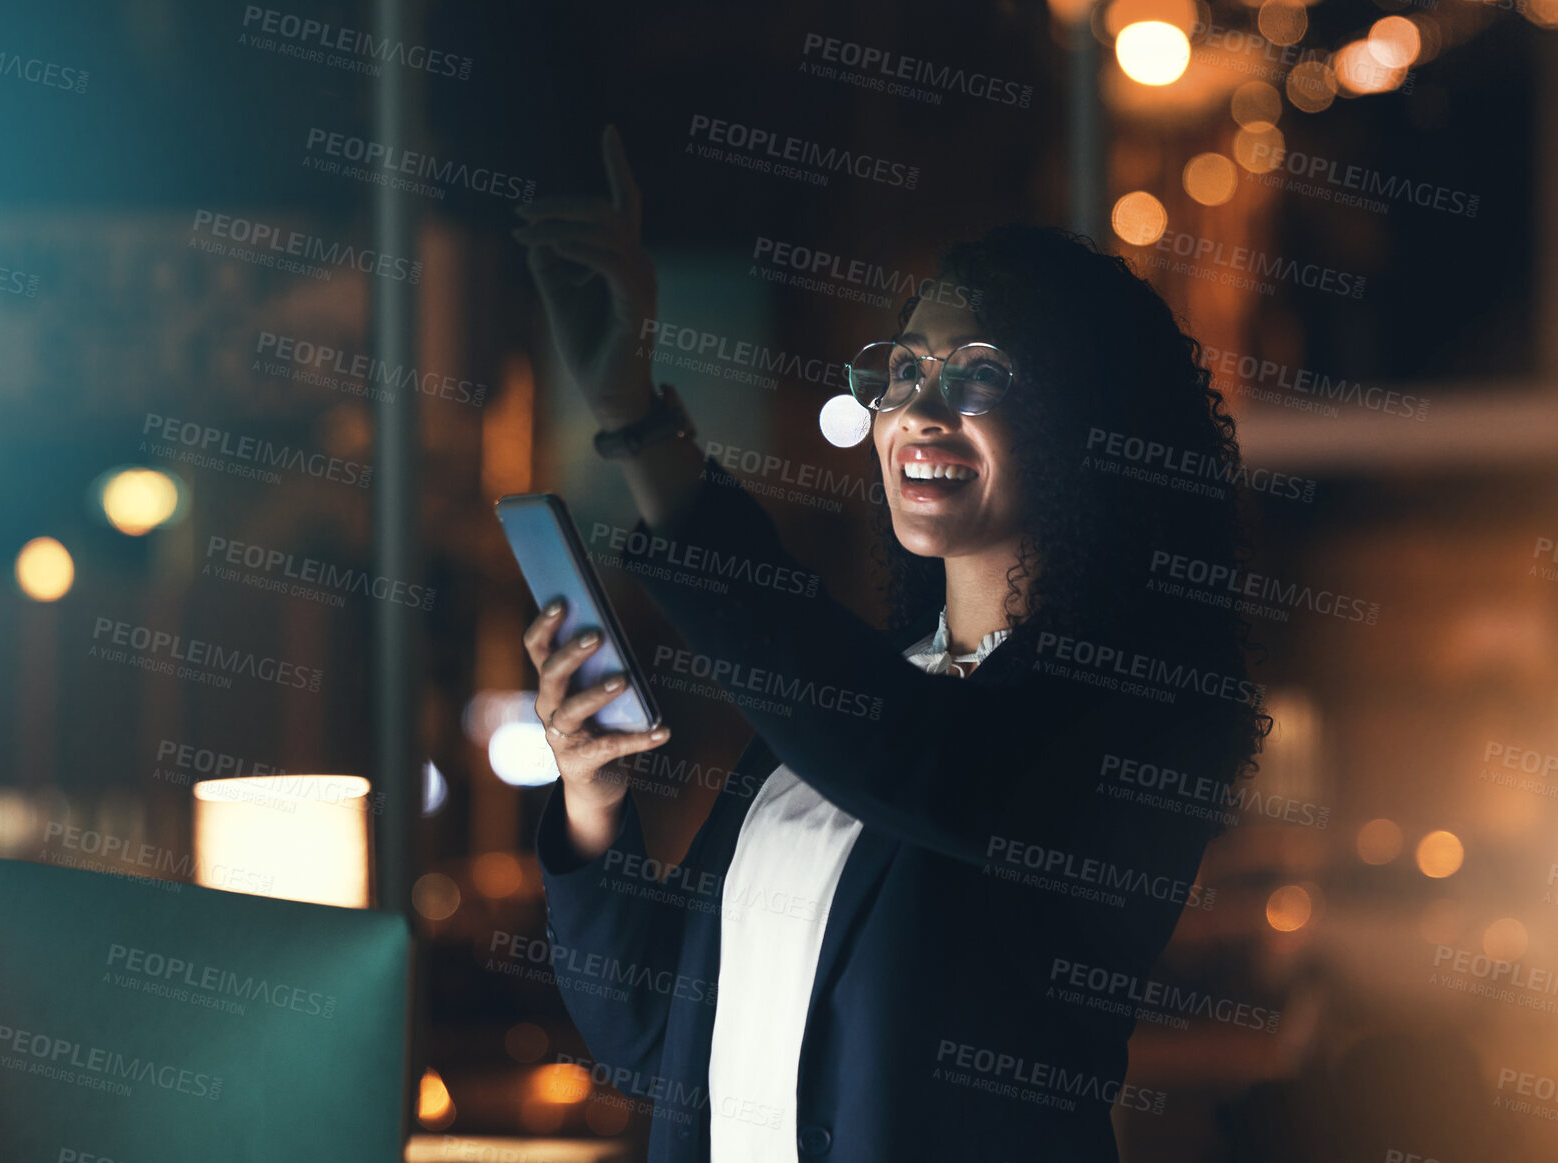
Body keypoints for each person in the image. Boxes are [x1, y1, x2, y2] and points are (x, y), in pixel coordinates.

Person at [510, 124, 1270, 1162]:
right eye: (902, 370)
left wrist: (638, 417)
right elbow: (653, 1033)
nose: (918, 410)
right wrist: (592, 801)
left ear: (1087, 424)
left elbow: (913, 754)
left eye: (980, 376)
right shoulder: (846, 717)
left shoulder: (1129, 713)